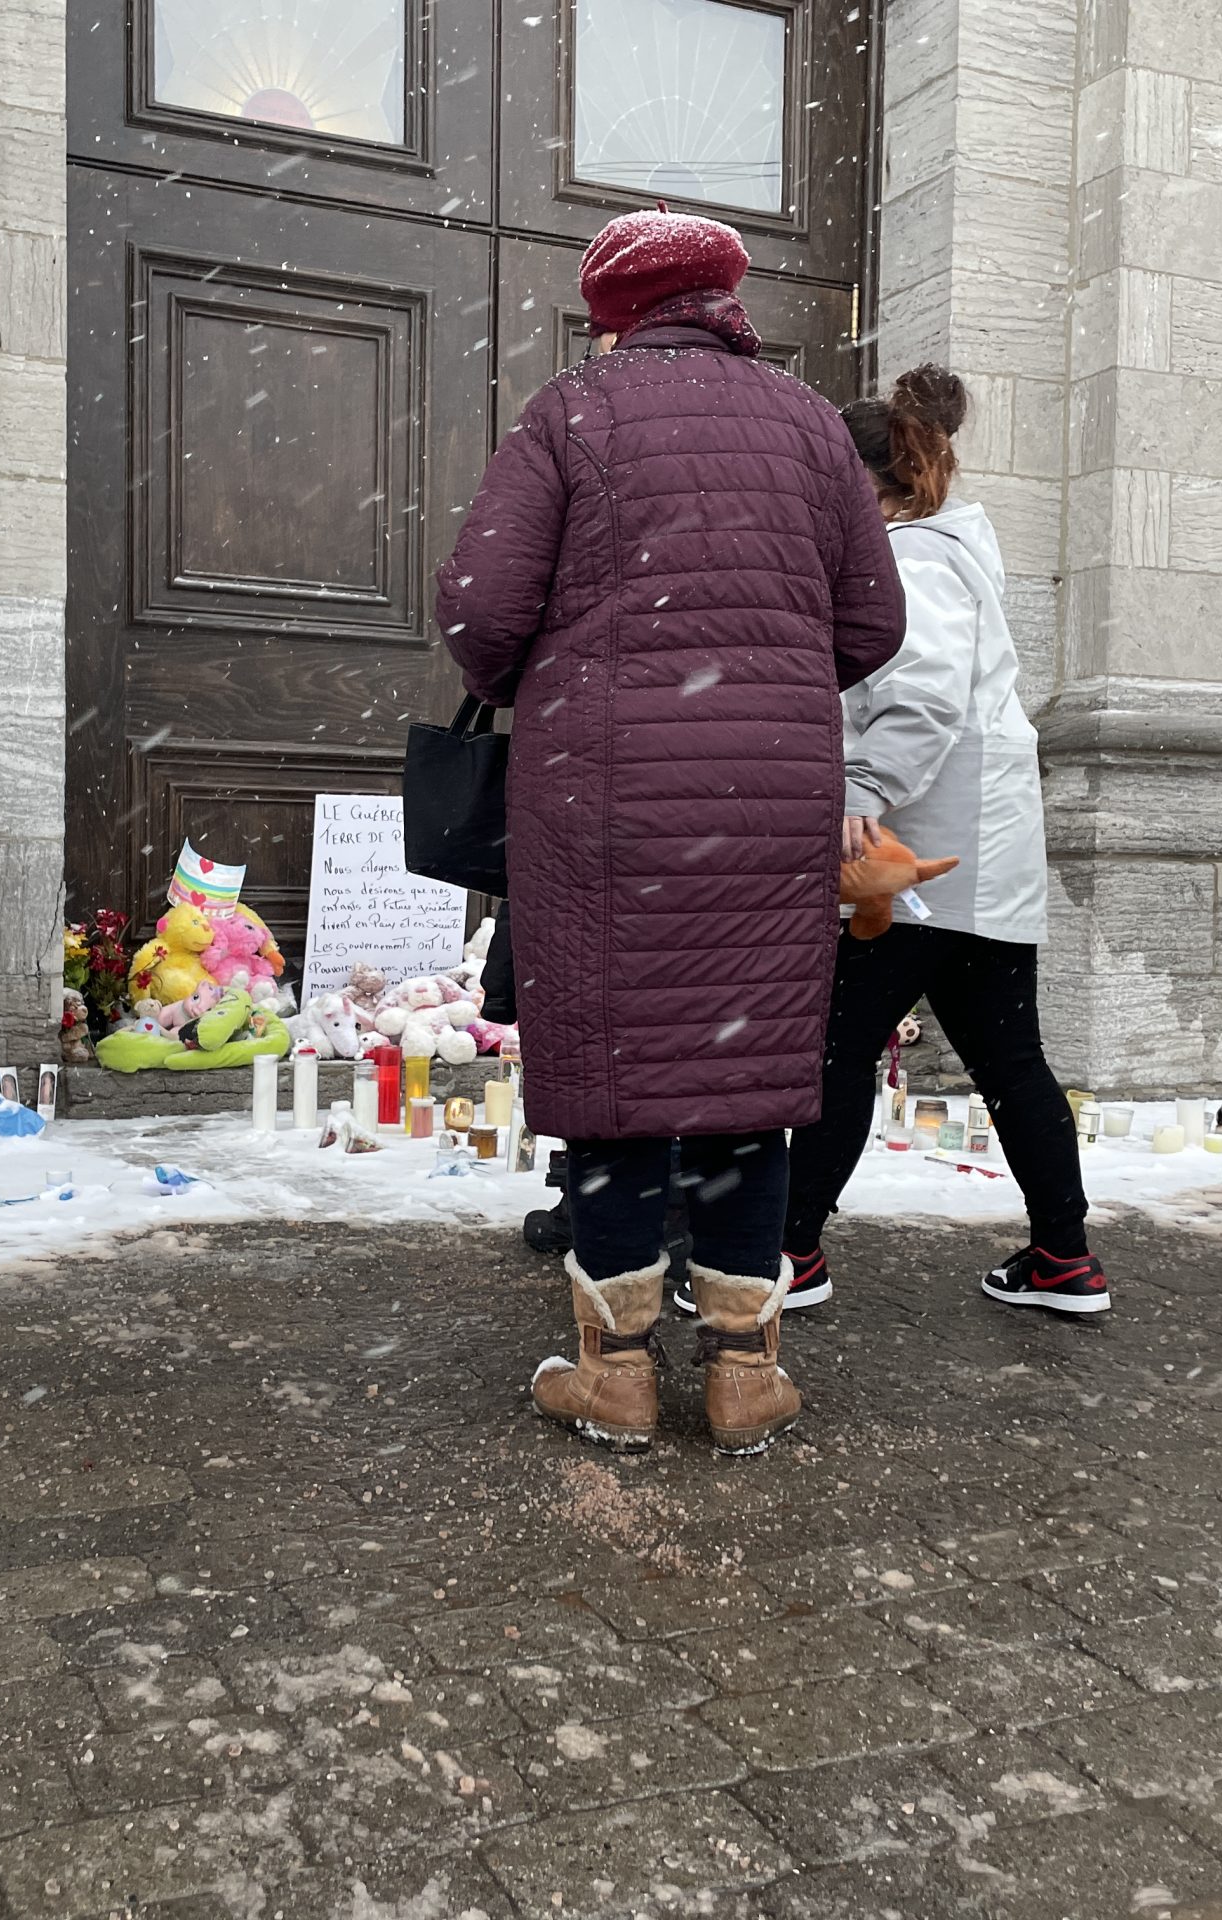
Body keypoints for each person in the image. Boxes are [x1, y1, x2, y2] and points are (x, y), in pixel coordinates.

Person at [434, 207, 905, 1456]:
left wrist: (581, 653)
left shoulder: (569, 414)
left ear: (615, 307)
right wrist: (763, 662)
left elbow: (482, 614)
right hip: (764, 799)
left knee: (615, 1084)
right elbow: (872, 625)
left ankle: (619, 1374)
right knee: (746, 1082)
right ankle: (746, 1373)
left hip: (603, 806)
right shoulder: (810, 425)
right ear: (725, 299)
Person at [763, 365, 1105, 1319]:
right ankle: (1063, 1258)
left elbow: (919, 697)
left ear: (861, 482)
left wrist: (863, 790)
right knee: (1009, 1060)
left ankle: (792, 1252)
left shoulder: (911, 559)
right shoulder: (946, 551)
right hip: (965, 860)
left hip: (918, 858)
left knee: (839, 1051)